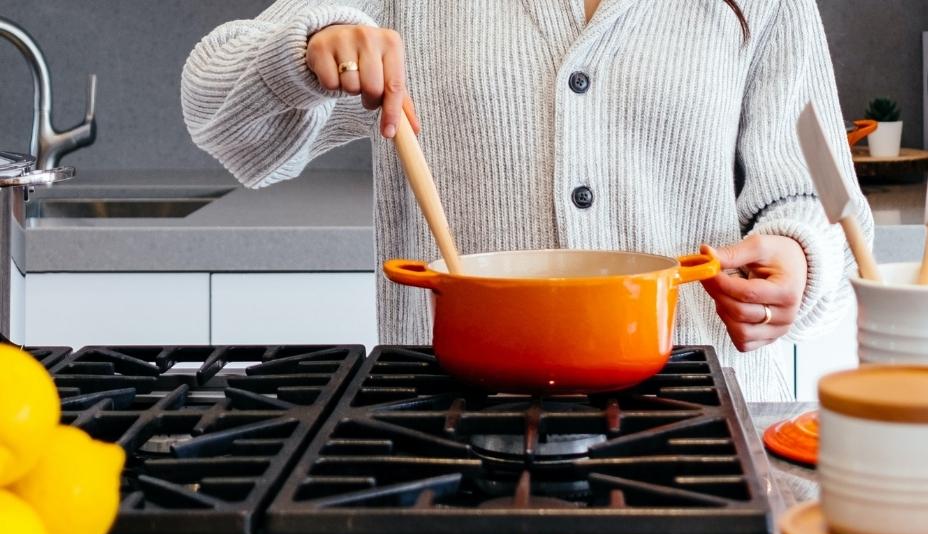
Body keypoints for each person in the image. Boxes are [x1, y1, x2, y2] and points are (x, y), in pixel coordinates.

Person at [182, 0, 873, 401]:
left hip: (698, 443)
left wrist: (797, 260)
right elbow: (212, 111)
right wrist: (306, 50)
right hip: (450, 441)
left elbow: (820, 206)